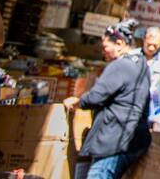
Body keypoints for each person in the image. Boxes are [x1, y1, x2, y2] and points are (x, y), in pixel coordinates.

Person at [64, 19, 151, 179]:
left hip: (115, 139)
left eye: (105, 47)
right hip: (130, 139)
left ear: (119, 43)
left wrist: (77, 101)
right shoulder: (142, 64)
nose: (103, 52)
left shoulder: (121, 65)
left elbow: (96, 96)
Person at [141, 26, 160, 129]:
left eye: (155, 45)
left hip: (151, 109)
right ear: (144, 39)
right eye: (149, 44)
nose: (151, 48)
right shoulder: (133, 56)